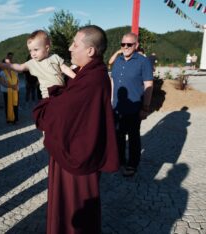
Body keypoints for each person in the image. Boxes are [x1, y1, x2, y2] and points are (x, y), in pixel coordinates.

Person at [33, 25, 119, 234]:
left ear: (90, 51)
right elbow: (72, 104)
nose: (70, 48)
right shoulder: (88, 73)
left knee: (74, 206)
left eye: (75, 44)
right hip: (75, 148)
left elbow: (62, 113)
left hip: (78, 155)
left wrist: (44, 104)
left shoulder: (93, 79)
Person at [110, 32, 153, 177]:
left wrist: (145, 107)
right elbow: (113, 82)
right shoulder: (118, 60)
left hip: (134, 107)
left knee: (134, 137)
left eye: (129, 44)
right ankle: (120, 161)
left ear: (136, 45)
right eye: (123, 44)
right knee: (118, 136)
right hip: (117, 107)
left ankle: (132, 164)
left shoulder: (143, 61)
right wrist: (110, 102)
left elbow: (148, 85)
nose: (126, 47)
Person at [0, 30, 76, 99]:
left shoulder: (55, 57)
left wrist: (76, 78)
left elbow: (65, 69)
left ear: (47, 48)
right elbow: (19, 67)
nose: (33, 54)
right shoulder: (32, 63)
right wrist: (4, 65)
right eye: (30, 50)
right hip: (48, 96)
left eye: (36, 50)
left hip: (62, 91)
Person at [0, 56, 19, 124]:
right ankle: (9, 119)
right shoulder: (2, 73)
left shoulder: (14, 71)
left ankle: (15, 118)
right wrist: (12, 86)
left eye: (9, 62)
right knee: (8, 105)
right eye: (6, 63)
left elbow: (17, 80)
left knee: (15, 105)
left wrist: (15, 86)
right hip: (7, 92)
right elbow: (2, 83)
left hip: (15, 91)